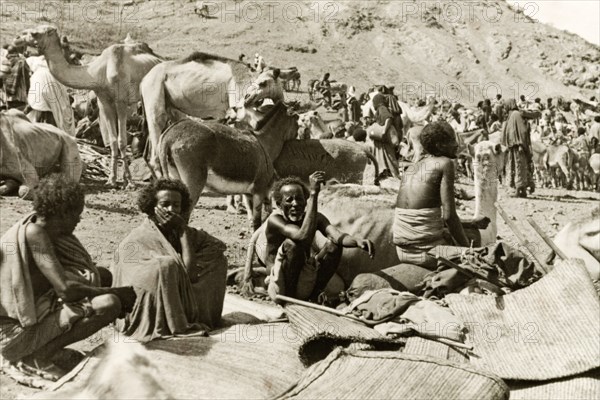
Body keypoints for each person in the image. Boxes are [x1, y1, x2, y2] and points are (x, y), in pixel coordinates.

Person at [0, 174, 135, 381]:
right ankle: (38, 357)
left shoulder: (41, 227)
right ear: (63, 213)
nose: (79, 219)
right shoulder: (34, 234)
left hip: (31, 314)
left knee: (102, 276)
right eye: (76, 214)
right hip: (12, 335)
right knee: (109, 303)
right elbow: (66, 290)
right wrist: (114, 292)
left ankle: (46, 348)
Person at [112, 179, 228, 342]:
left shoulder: (179, 231)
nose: (171, 210)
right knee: (167, 266)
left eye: (176, 205)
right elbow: (189, 275)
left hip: (177, 297)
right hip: (147, 305)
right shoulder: (139, 238)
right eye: (165, 204)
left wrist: (183, 232)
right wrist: (182, 232)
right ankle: (171, 320)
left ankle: (202, 315)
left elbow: (216, 247)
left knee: (218, 258)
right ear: (152, 208)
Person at [265, 172, 374, 303]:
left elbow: (337, 236)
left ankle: (315, 294)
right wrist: (313, 193)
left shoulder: (314, 217)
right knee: (292, 245)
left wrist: (357, 241)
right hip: (279, 279)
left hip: (302, 271)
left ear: (306, 202)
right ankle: (289, 300)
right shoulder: (275, 221)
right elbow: (301, 236)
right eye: (289, 200)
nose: (295, 204)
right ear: (279, 204)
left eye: (299, 199)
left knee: (334, 246)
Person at [394, 122, 470, 269]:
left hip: (402, 249)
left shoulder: (411, 168)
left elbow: (418, 213)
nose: (456, 145)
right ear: (440, 146)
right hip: (426, 249)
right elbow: (449, 217)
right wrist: (469, 251)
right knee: (477, 246)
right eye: (452, 140)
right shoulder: (444, 163)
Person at [26, 55, 76, 135]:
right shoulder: (53, 73)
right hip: (54, 109)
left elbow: (35, 97)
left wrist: (27, 109)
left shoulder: (37, 75)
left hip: (40, 109)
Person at [501, 98, 534, 197]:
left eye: (505, 106)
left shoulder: (516, 115)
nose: (504, 108)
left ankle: (519, 190)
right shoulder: (511, 115)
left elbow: (522, 130)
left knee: (519, 167)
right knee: (517, 167)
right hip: (512, 147)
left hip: (517, 147)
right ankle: (520, 190)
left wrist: (520, 143)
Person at [368, 93, 400, 180]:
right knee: (386, 155)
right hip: (383, 138)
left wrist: (384, 131)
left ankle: (394, 175)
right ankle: (388, 174)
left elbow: (388, 118)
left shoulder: (382, 108)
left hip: (385, 135)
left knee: (389, 155)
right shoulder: (381, 108)